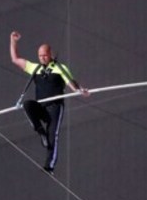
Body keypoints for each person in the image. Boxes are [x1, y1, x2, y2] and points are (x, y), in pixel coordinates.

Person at [9, 31, 89, 172]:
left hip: (55, 107)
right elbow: (15, 59)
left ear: (50, 54)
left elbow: (71, 83)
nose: (42, 58)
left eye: (45, 55)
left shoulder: (60, 68)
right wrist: (13, 41)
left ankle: (49, 166)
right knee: (27, 104)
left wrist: (80, 90)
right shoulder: (35, 68)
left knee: (53, 135)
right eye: (40, 56)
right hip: (41, 106)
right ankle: (40, 132)